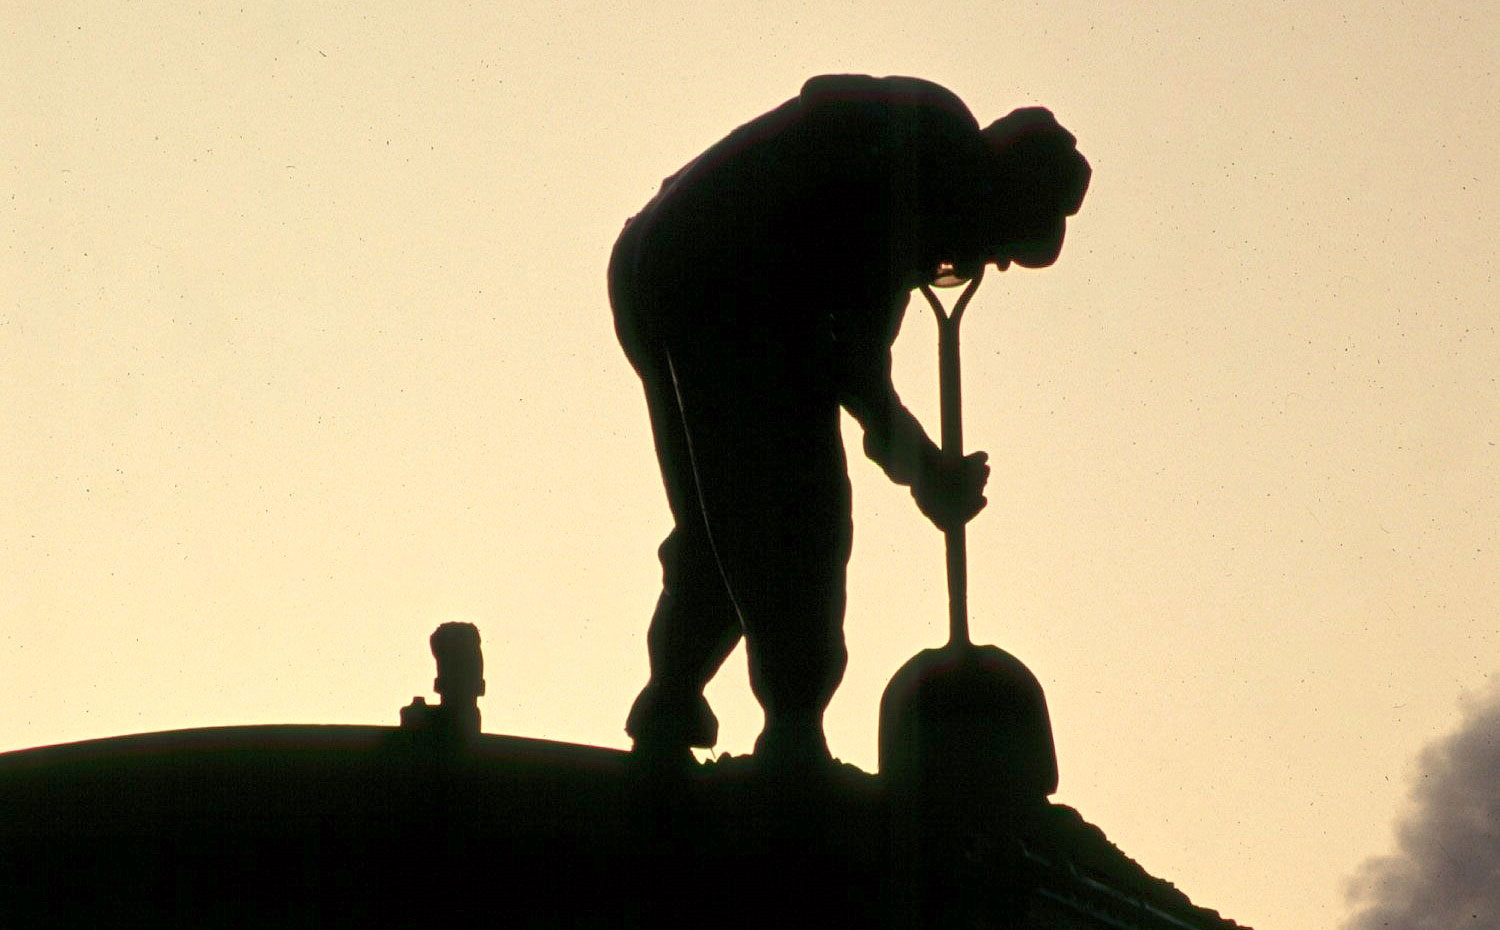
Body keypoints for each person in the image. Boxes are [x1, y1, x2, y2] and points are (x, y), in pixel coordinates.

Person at [609, 74, 1089, 769]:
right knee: (799, 510)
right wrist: (925, 468)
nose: (994, 265)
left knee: (724, 516)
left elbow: (852, 356)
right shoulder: (923, 174)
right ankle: (792, 728)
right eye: (1005, 246)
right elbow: (854, 370)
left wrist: (923, 464)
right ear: (1001, 194)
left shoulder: (926, 151)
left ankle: (674, 701)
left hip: (657, 258)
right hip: (728, 280)